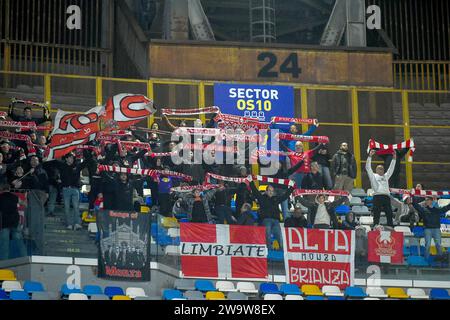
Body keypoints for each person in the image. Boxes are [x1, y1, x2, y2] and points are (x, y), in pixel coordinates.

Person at [249, 176, 294, 250]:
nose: (270, 192)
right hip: (266, 220)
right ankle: (270, 251)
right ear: (266, 191)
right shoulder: (262, 198)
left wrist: (292, 187)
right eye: (269, 190)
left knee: (280, 237)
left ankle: (282, 252)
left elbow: (285, 196)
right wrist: (251, 182)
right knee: (268, 235)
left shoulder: (276, 199)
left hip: (276, 220)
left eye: (272, 191)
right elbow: (255, 191)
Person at [410, 196, 450, 260]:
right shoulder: (423, 209)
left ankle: (440, 259)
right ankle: (426, 260)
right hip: (427, 229)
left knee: (438, 245)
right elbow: (416, 206)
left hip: (436, 229)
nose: (426, 201)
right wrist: (412, 196)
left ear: (431, 201)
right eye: (425, 200)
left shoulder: (437, 210)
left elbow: (446, 208)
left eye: (427, 200)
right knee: (427, 245)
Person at [366, 149, 396, 228]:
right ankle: (376, 226)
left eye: (382, 168)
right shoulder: (373, 176)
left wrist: (394, 159)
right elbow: (368, 168)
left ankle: (390, 227)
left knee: (389, 213)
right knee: (376, 213)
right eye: (379, 168)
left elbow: (391, 169)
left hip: (386, 196)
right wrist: (369, 157)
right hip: (377, 196)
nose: (381, 169)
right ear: (376, 170)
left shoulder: (386, 176)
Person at [0, 184, 27, 260]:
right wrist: (25, 198)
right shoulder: (14, 196)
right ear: (9, 189)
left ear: (1, 189)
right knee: (19, 242)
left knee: (4, 245)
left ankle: (3, 264)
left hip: (4, 223)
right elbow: (24, 204)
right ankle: (25, 258)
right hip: (15, 221)